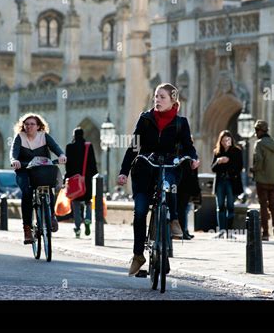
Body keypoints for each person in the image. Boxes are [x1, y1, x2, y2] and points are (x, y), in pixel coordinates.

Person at [117, 82, 200, 276]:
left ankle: (174, 220)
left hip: (169, 165)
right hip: (145, 167)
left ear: (173, 100)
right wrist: (124, 171)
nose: (157, 100)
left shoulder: (181, 123)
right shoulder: (145, 119)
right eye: (156, 96)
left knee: (169, 186)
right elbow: (134, 147)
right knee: (139, 211)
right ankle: (138, 255)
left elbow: (188, 146)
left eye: (162, 97)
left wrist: (193, 158)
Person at [10, 113, 67, 244]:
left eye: (32, 124)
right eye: (27, 124)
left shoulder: (44, 136)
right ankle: (27, 229)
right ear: (23, 126)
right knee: (27, 193)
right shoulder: (20, 137)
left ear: (39, 126)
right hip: (24, 170)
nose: (29, 126)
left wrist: (62, 155)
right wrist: (14, 161)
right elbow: (13, 153)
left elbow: (56, 148)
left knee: (48, 186)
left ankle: (51, 216)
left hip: (42, 169)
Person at [250, 120, 274, 242]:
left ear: (259, 131)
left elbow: (258, 161)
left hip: (262, 180)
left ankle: (265, 233)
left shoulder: (259, 144)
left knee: (263, 206)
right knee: (273, 206)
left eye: (256, 131)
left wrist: (253, 169)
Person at [65, 127, 98, 238]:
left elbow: (67, 165)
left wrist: (67, 177)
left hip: (74, 180)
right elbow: (93, 164)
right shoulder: (88, 146)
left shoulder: (69, 147)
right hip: (87, 180)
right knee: (88, 202)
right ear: (83, 135)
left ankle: (78, 228)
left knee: (76, 204)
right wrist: (94, 177)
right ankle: (88, 219)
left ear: (74, 135)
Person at [211, 130, 243, 238]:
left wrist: (228, 161)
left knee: (230, 206)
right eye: (223, 140)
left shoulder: (236, 151)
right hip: (220, 181)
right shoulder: (217, 152)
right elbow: (213, 168)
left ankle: (229, 232)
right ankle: (221, 231)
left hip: (231, 181)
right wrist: (218, 162)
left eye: (227, 140)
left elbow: (239, 167)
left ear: (231, 140)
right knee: (220, 206)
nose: (225, 142)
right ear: (220, 141)